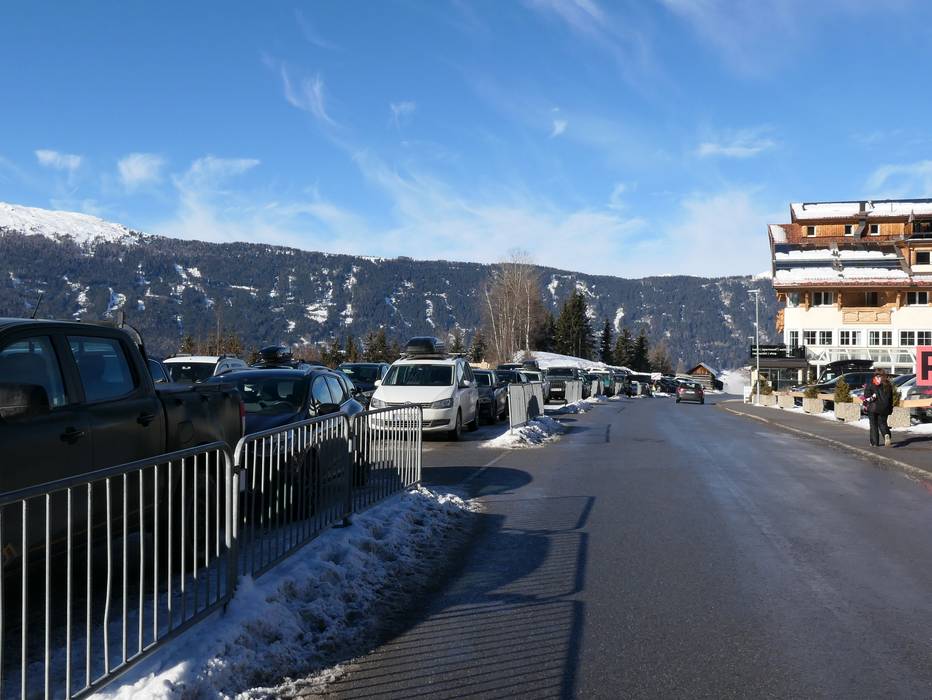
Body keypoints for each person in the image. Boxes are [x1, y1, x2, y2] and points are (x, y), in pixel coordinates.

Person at [862, 368, 894, 447]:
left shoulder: (871, 383)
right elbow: (891, 398)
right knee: (883, 423)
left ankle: (874, 443)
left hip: (873, 408)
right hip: (885, 408)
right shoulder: (888, 384)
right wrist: (890, 409)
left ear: (875, 374)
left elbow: (866, 396)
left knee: (873, 425)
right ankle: (886, 434)